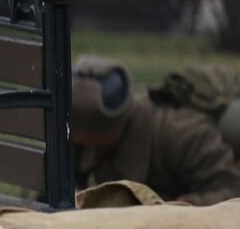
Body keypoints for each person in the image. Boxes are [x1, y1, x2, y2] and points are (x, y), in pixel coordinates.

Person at [73, 58, 240, 205]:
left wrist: (191, 206)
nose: (79, 141)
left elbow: (232, 189)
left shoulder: (182, 135)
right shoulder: (82, 141)